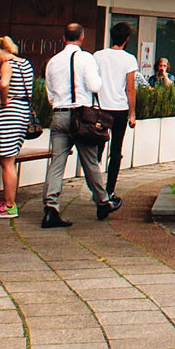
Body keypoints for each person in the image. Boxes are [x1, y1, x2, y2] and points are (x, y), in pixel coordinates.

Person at [41, 22, 109, 228]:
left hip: (59, 115)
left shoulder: (52, 61)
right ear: (81, 38)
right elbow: (94, 86)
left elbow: (50, 94)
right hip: (81, 117)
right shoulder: (86, 58)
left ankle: (50, 207)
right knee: (89, 161)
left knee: (57, 162)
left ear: (63, 38)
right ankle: (103, 201)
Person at [0, 37, 33, 219]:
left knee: (7, 162)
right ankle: (8, 200)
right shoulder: (25, 63)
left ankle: (10, 205)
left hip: (9, 114)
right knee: (10, 159)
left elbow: (4, 84)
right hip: (22, 112)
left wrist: (3, 100)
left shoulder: (7, 65)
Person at [93, 21, 139, 209]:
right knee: (116, 151)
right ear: (127, 39)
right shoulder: (129, 59)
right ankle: (110, 190)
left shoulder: (98, 56)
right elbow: (130, 88)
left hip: (101, 108)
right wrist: (132, 114)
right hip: (119, 109)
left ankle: (95, 188)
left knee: (97, 150)